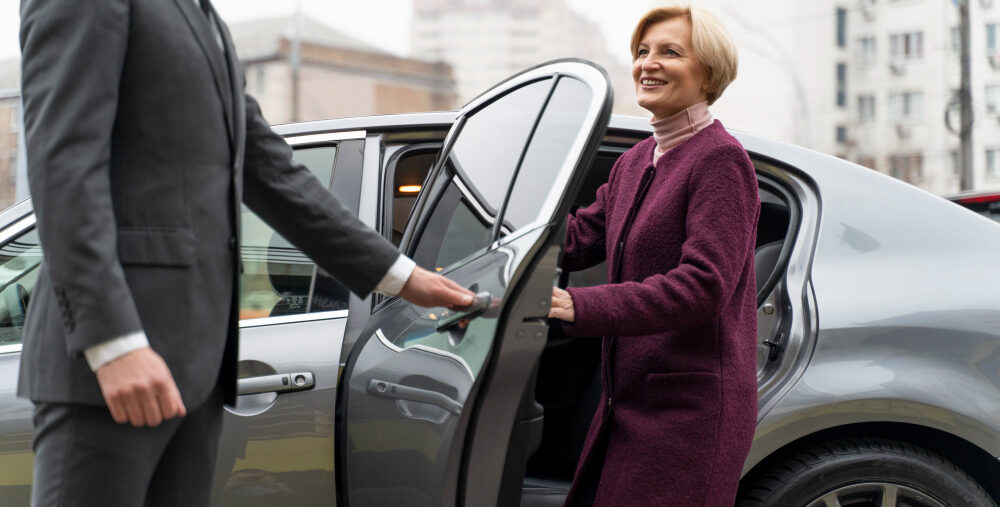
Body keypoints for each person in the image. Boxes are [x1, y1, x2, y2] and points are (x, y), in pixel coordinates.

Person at [17, 0, 473, 505]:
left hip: (199, 369)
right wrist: (113, 343)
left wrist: (401, 276)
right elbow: (63, 168)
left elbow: (269, 169)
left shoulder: (201, 16)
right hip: (111, 369)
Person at [548, 6, 759, 506]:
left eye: (670, 52)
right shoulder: (634, 161)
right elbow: (577, 239)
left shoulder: (720, 160)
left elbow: (702, 286)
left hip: (689, 414)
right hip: (629, 402)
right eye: (642, 52)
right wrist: (504, 220)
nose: (648, 63)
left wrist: (581, 306)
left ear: (709, 72)